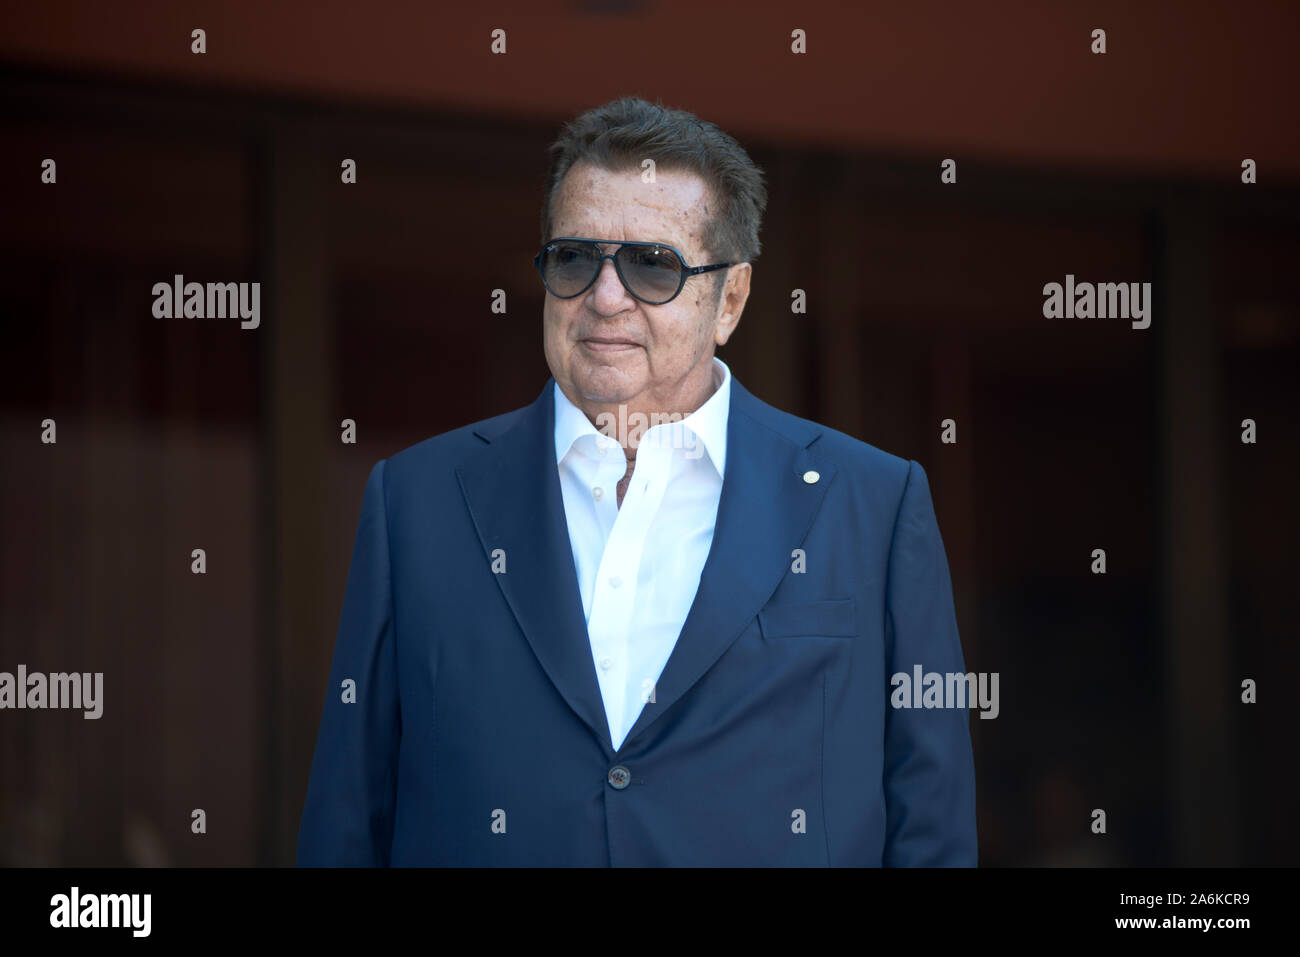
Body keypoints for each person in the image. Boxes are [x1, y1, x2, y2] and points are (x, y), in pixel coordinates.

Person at [297, 96, 976, 866]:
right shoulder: (414, 501)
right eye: (574, 259)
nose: (605, 298)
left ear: (732, 300)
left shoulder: (875, 506)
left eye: (652, 265)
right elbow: (348, 822)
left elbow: (932, 828)